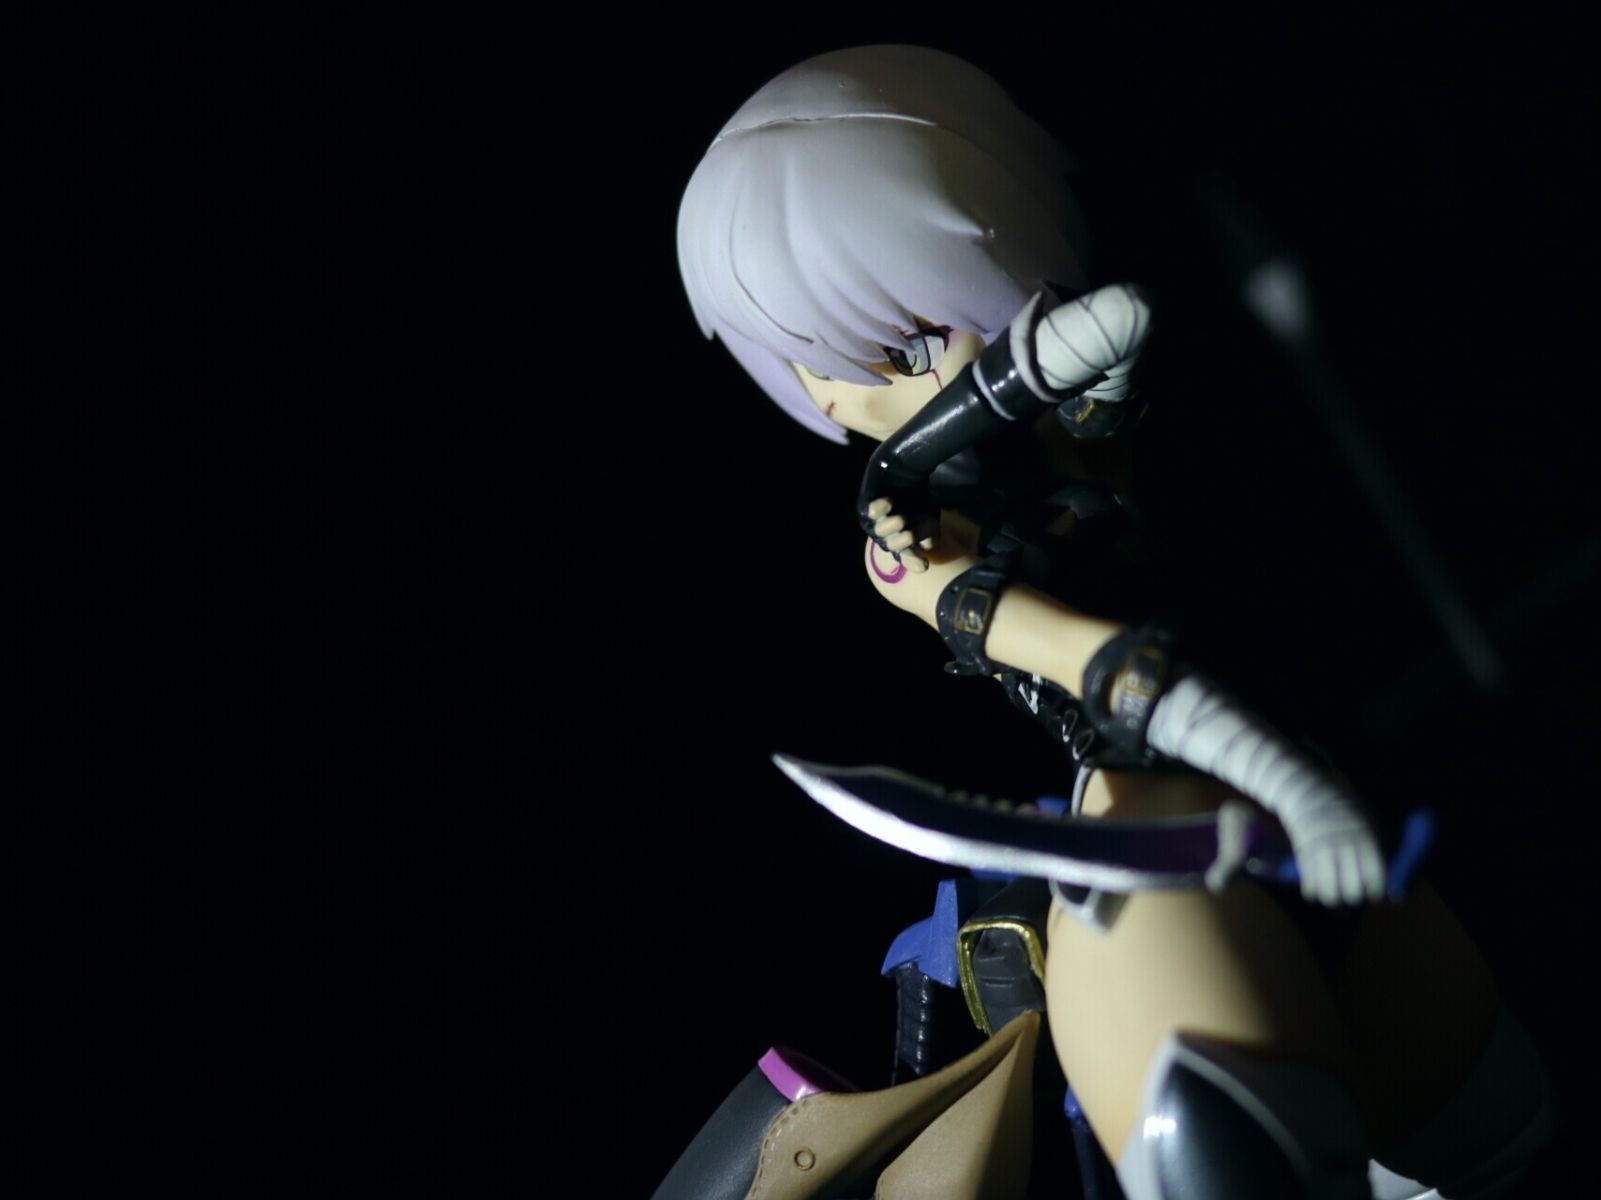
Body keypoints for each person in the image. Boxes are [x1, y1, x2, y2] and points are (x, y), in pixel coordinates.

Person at [669, 45, 1552, 1199]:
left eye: (909, 343)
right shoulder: (917, 536)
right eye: (820, 365)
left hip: (1280, 807)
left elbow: (1121, 364)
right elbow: (1077, 656)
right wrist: (1279, 778)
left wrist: (1055, 366)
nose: (842, 393)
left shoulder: (1076, 424)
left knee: (1493, 1146)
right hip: (1166, 812)